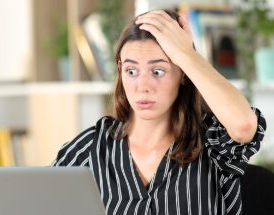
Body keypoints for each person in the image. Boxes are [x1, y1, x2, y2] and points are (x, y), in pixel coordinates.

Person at [51, 9, 266, 215]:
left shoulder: (212, 143)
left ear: (183, 73)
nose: (143, 86)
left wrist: (185, 52)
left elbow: (244, 126)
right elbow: (39, 200)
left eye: (158, 71)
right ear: (120, 70)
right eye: (131, 71)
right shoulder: (91, 149)